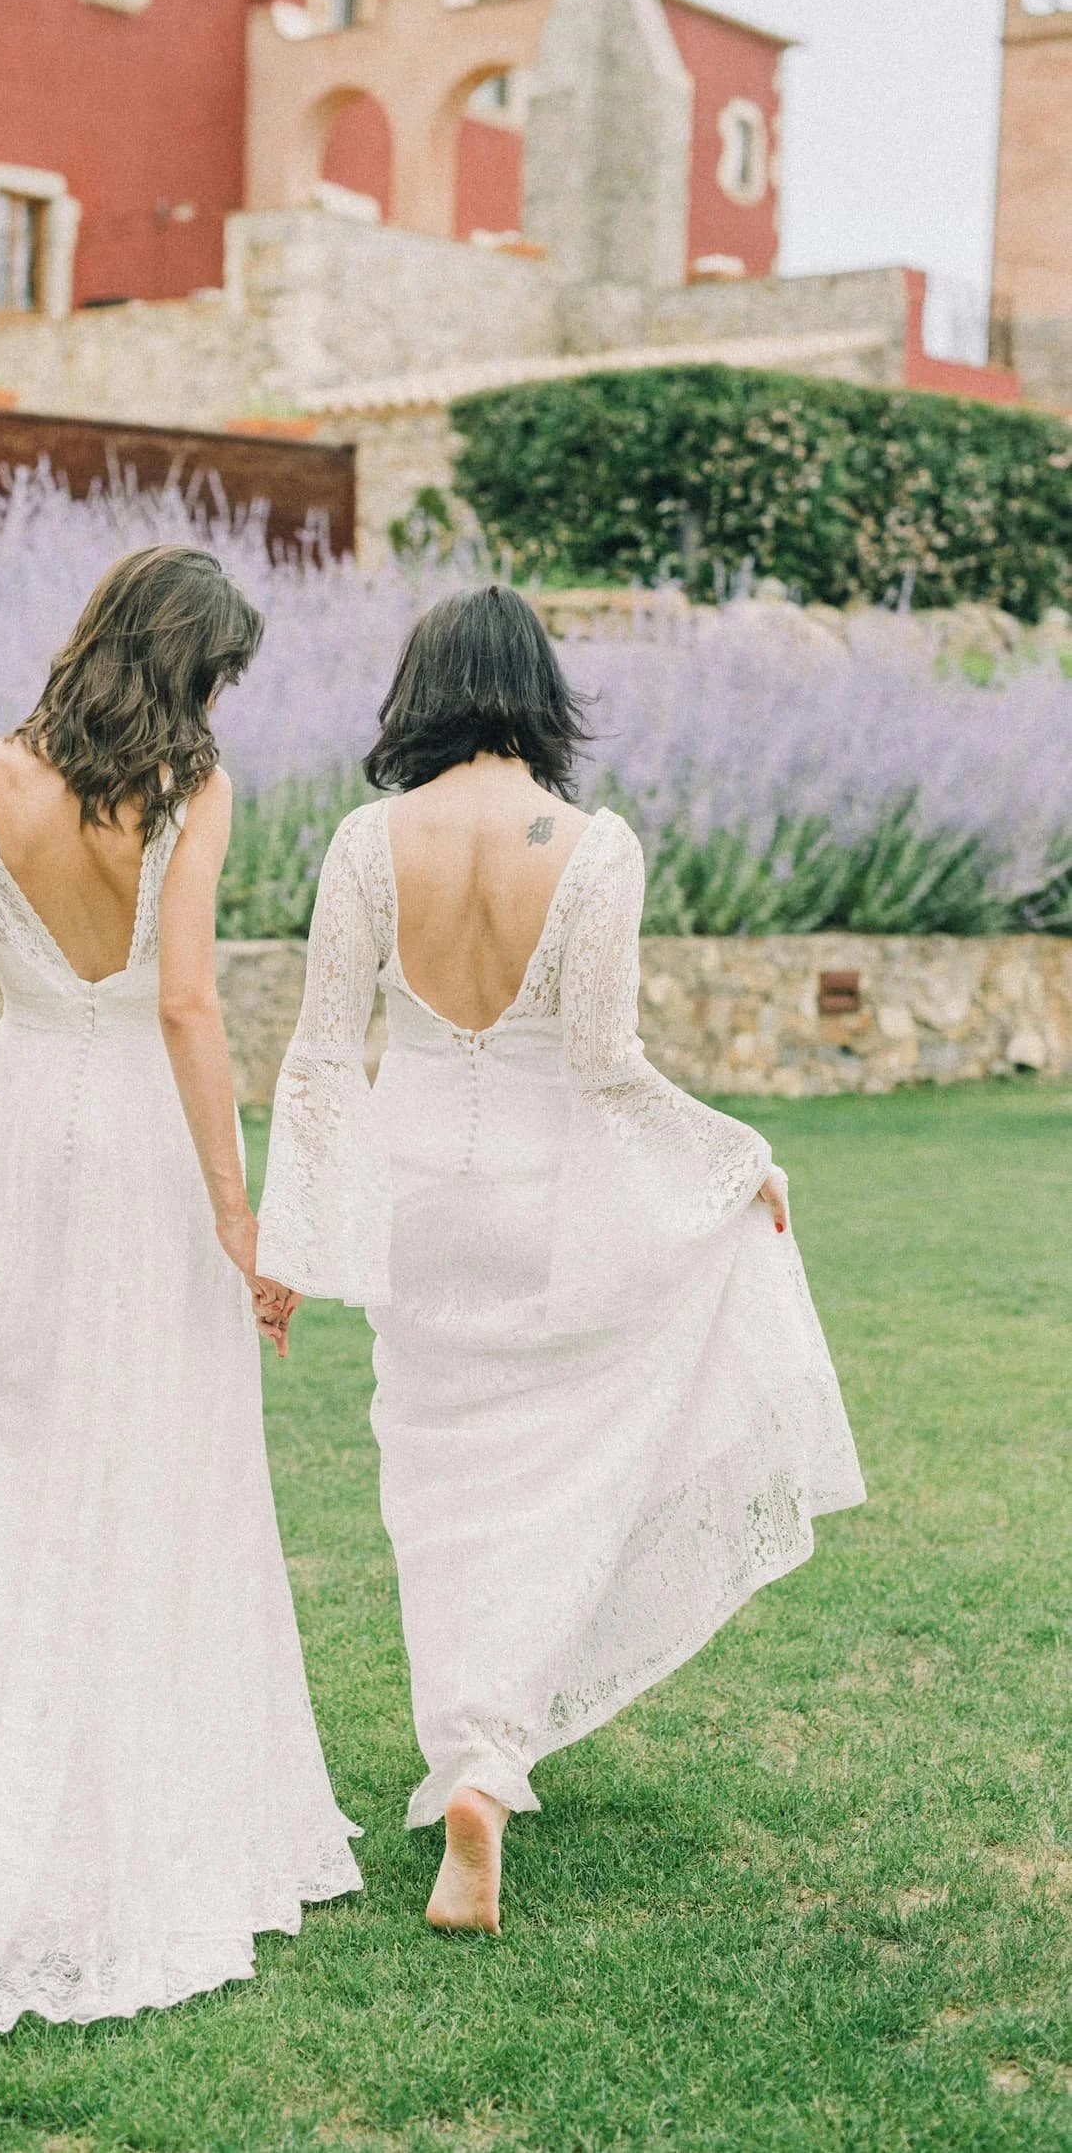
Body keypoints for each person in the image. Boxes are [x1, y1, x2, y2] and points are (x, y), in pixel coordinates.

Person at [0, 545, 360, 2035]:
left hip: (28, 1138)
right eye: (218, 676)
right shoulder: (190, 791)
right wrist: (238, 1216)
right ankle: (127, 1786)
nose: (220, 704)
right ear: (185, 668)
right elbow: (186, 1005)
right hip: (150, 1158)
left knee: (24, 1451)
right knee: (157, 1466)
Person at [255, 584, 864, 1935]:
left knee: (437, 1482)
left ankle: (472, 1755)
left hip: (418, 1202)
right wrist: (737, 1161)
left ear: (421, 692)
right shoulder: (592, 850)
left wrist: (291, 1238)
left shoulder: (366, 843)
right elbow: (607, 1068)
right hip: (545, 1204)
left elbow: (319, 1054)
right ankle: (487, 1759)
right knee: (550, 1473)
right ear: (540, 693)